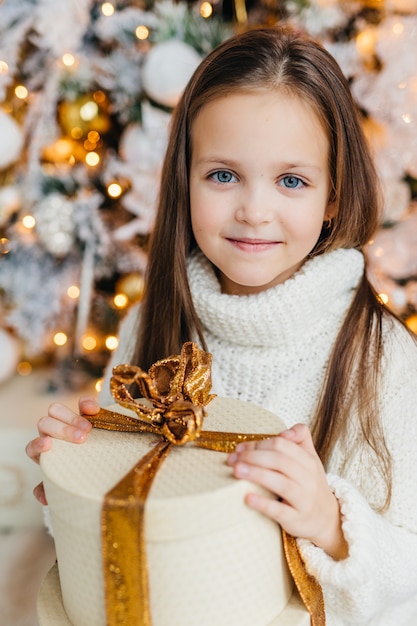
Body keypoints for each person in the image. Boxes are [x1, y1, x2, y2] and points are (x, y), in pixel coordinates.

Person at [26, 26, 417, 625]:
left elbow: (407, 574)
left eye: (292, 181)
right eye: (223, 175)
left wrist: (330, 525)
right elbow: (131, 528)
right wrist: (73, 484)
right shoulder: (149, 326)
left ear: (334, 196)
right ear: (185, 180)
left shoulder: (384, 362)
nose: (254, 211)